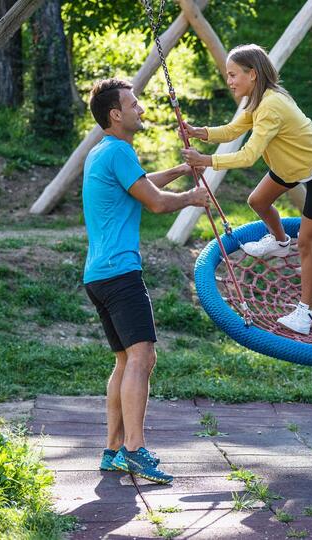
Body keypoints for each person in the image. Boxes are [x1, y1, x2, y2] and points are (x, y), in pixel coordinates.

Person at [83, 78, 209, 484]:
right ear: (115, 114)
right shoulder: (119, 150)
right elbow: (154, 201)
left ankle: (114, 450)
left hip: (99, 275)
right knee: (142, 358)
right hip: (121, 273)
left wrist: (176, 169)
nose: (140, 109)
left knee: (125, 359)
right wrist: (191, 197)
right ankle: (135, 450)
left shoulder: (102, 152)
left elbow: (140, 181)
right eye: (133, 104)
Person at [181, 44, 312, 336]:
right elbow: (232, 130)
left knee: (306, 242)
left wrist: (206, 160)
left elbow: (248, 156)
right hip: (288, 166)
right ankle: (280, 242)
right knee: (257, 201)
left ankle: (305, 313)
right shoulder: (258, 100)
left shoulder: (270, 106)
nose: (228, 81)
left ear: (252, 74)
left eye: (232, 74)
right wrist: (199, 132)